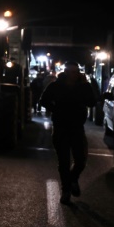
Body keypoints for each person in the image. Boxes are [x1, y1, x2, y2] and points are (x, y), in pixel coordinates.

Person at [38, 61, 97, 204]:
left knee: (80, 160)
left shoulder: (82, 86)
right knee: (64, 161)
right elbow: (43, 101)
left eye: (76, 72)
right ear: (65, 72)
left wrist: (85, 85)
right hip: (61, 127)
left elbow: (92, 102)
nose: (74, 75)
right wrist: (56, 109)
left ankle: (73, 179)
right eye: (71, 72)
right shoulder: (55, 86)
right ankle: (66, 191)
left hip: (77, 127)